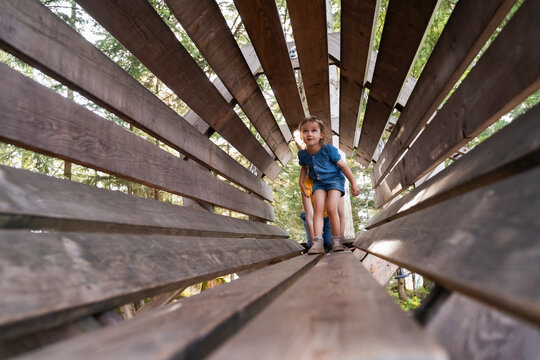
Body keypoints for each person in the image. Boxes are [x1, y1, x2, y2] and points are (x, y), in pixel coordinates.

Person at [298, 116, 360, 254]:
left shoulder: (328, 149)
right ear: (301, 135)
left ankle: (337, 241)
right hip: (319, 183)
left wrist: (354, 183)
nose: (309, 134)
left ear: (321, 135)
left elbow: (343, 167)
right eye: (305, 131)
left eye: (314, 130)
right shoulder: (303, 154)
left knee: (332, 209)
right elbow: (304, 168)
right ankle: (317, 243)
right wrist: (301, 182)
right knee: (318, 210)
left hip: (335, 180)